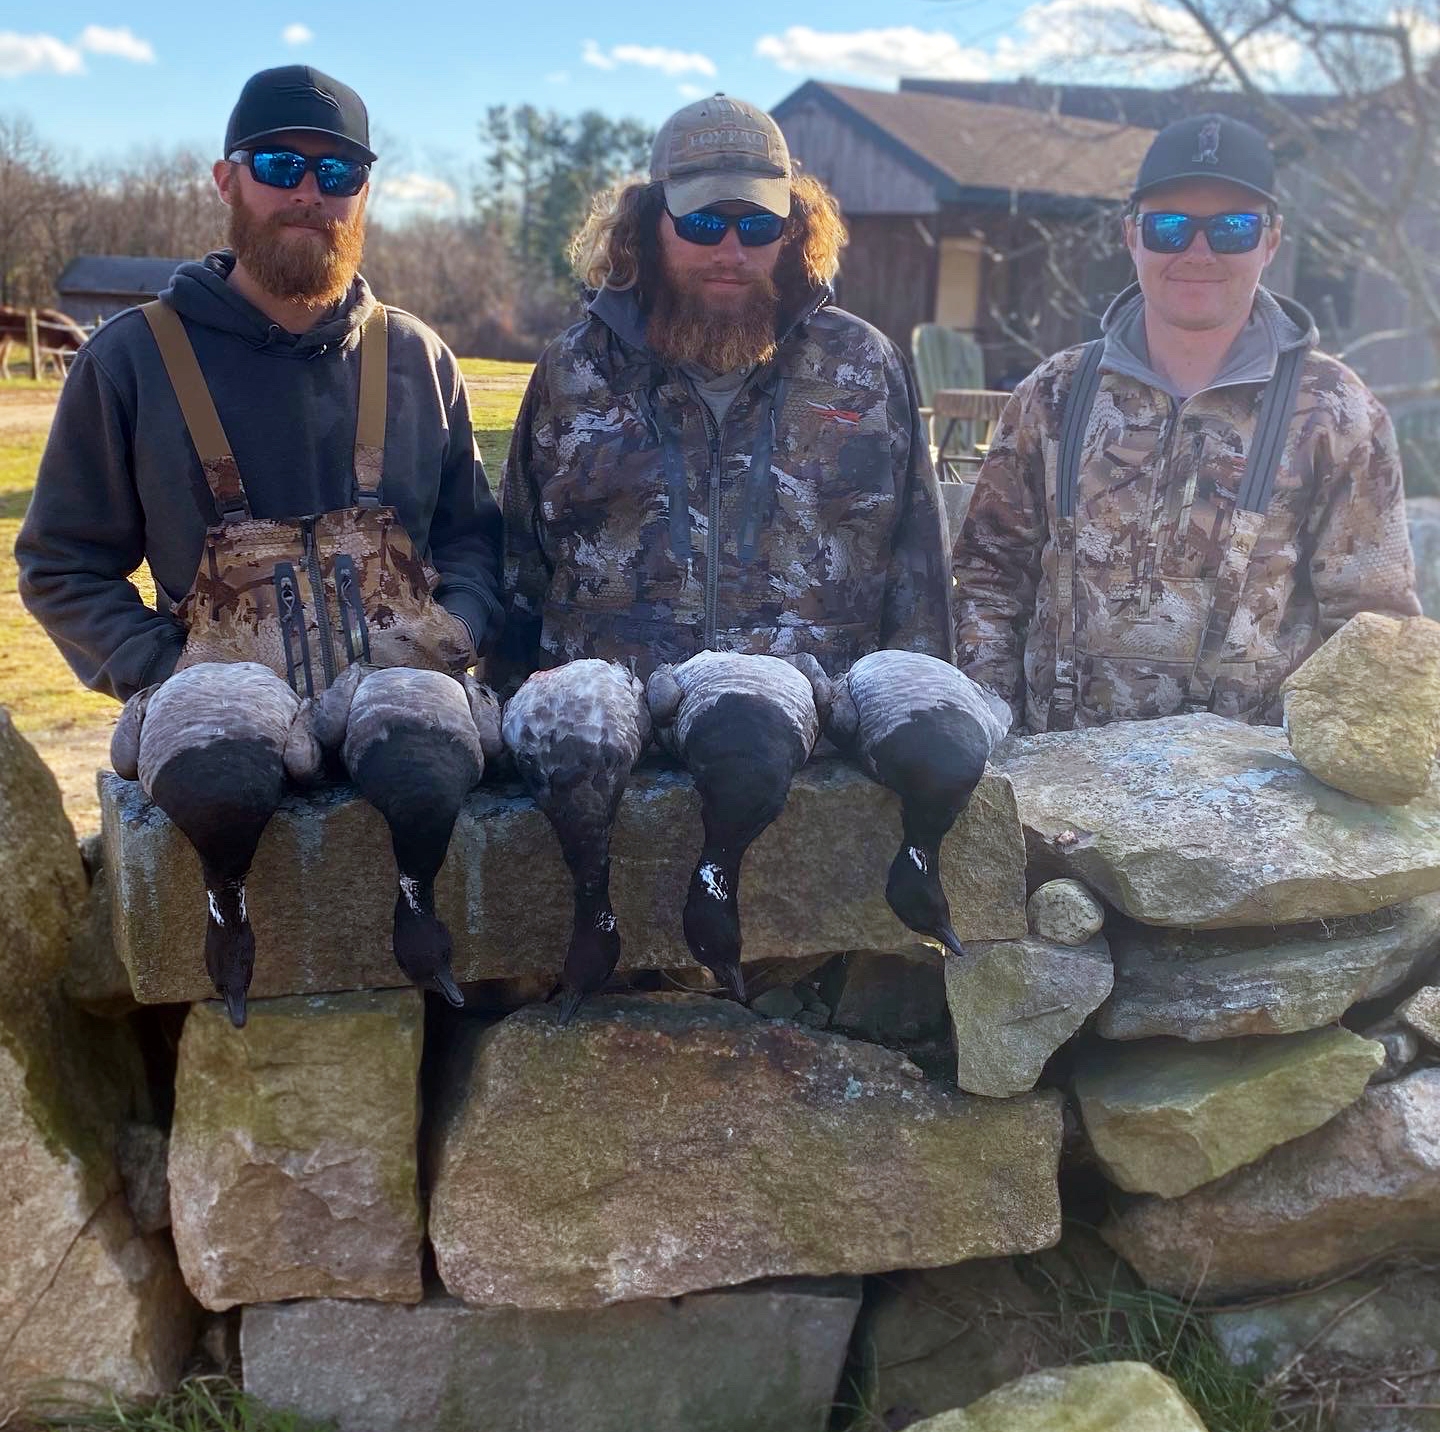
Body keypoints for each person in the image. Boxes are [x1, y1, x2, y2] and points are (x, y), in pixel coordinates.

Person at [18, 65, 502, 702]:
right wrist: (171, 675)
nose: (309, 192)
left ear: (364, 193)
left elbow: (472, 537)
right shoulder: (131, 361)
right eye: (279, 165)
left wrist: (458, 626)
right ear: (226, 181)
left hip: (411, 726)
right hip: (219, 744)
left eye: (338, 173)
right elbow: (63, 564)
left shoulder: (420, 359)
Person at [954, 113, 1420, 732]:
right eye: (1170, 226)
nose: (1198, 252)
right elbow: (987, 578)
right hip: (1052, 790)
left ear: (1271, 241)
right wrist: (997, 736)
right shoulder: (1054, 393)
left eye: (1231, 228)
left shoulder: (1336, 411)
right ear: (1131, 237)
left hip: (1250, 807)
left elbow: (1374, 627)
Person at [495, 93, 953, 686]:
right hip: (606, 748)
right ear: (647, 224)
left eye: (759, 225)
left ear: (792, 232)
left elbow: (918, 576)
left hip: (814, 747)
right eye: (703, 223)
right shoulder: (575, 368)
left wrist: (917, 730)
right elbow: (519, 568)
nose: (731, 253)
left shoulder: (865, 366)